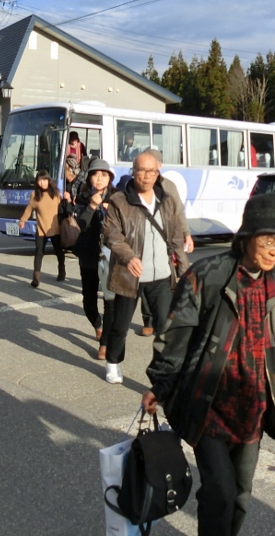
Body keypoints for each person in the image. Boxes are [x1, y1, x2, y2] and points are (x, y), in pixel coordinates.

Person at [141, 192, 275, 536]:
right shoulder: (208, 276)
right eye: (270, 240)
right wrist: (161, 384)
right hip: (209, 406)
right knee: (220, 493)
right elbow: (176, 336)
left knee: (241, 497)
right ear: (247, 236)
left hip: (253, 411)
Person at [101, 151, 189, 384]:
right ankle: (113, 363)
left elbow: (176, 239)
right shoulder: (120, 201)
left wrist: (184, 271)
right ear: (133, 171)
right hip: (130, 275)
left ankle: (166, 370)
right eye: (141, 171)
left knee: (165, 327)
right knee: (120, 325)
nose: (147, 176)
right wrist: (128, 257)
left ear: (157, 172)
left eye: (152, 171)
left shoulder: (167, 200)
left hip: (161, 274)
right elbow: (112, 234)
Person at [137, 147, 194, 337]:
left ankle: (171, 316)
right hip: (144, 239)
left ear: (159, 166)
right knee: (144, 277)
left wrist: (186, 233)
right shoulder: (135, 185)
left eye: (152, 166)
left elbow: (179, 211)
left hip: (169, 237)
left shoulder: (169, 186)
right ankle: (148, 320)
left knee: (171, 276)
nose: (147, 172)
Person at [71, 160, 118, 359]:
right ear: (89, 177)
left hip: (110, 255)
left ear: (109, 178)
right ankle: (97, 325)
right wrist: (92, 205)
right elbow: (80, 224)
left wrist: (109, 210)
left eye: (104, 174)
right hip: (89, 254)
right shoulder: (82, 198)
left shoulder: (118, 199)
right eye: (95, 174)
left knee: (110, 300)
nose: (99, 178)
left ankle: (105, 343)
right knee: (89, 300)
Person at [19, 169, 66, 287]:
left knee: (59, 252)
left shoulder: (55, 194)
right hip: (41, 229)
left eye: (45, 180)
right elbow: (29, 209)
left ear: (49, 180)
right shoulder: (35, 195)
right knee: (39, 252)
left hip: (55, 228)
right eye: (40, 180)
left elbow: (63, 209)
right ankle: (36, 279)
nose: (43, 183)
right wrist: (22, 220)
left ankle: (62, 271)